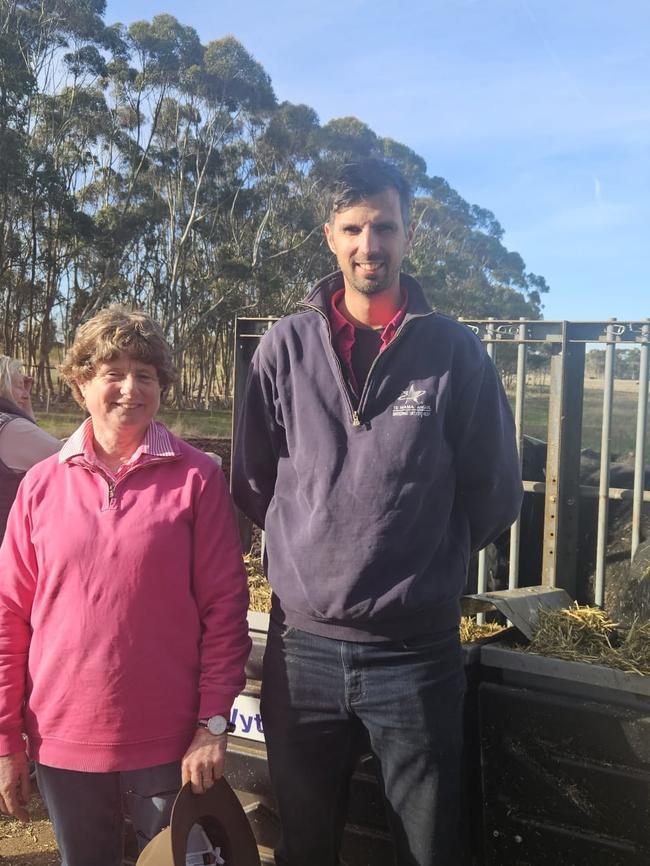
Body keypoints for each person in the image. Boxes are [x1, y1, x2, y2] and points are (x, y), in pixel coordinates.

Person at [232, 158, 523, 866]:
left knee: (429, 851)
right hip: (301, 653)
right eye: (355, 228)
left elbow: (495, 492)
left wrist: (421, 562)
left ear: (409, 233)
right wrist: (310, 553)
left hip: (415, 658)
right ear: (330, 236)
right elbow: (251, 480)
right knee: (304, 846)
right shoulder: (284, 349)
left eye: (385, 226)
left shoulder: (455, 354)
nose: (371, 244)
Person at [0, 307, 251, 866]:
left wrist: (213, 724)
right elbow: (9, 616)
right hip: (62, 743)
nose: (130, 388)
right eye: (112, 371)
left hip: (170, 748)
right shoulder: (41, 485)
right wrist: (7, 742)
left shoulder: (197, 478)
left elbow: (226, 608)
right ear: (81, 382)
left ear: (162, 384)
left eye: (146, 373)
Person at [0, 356, 61, 541]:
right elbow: (71, 458)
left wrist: (23, 406)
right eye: (19, 386)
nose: (26, 394)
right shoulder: (12, 428)